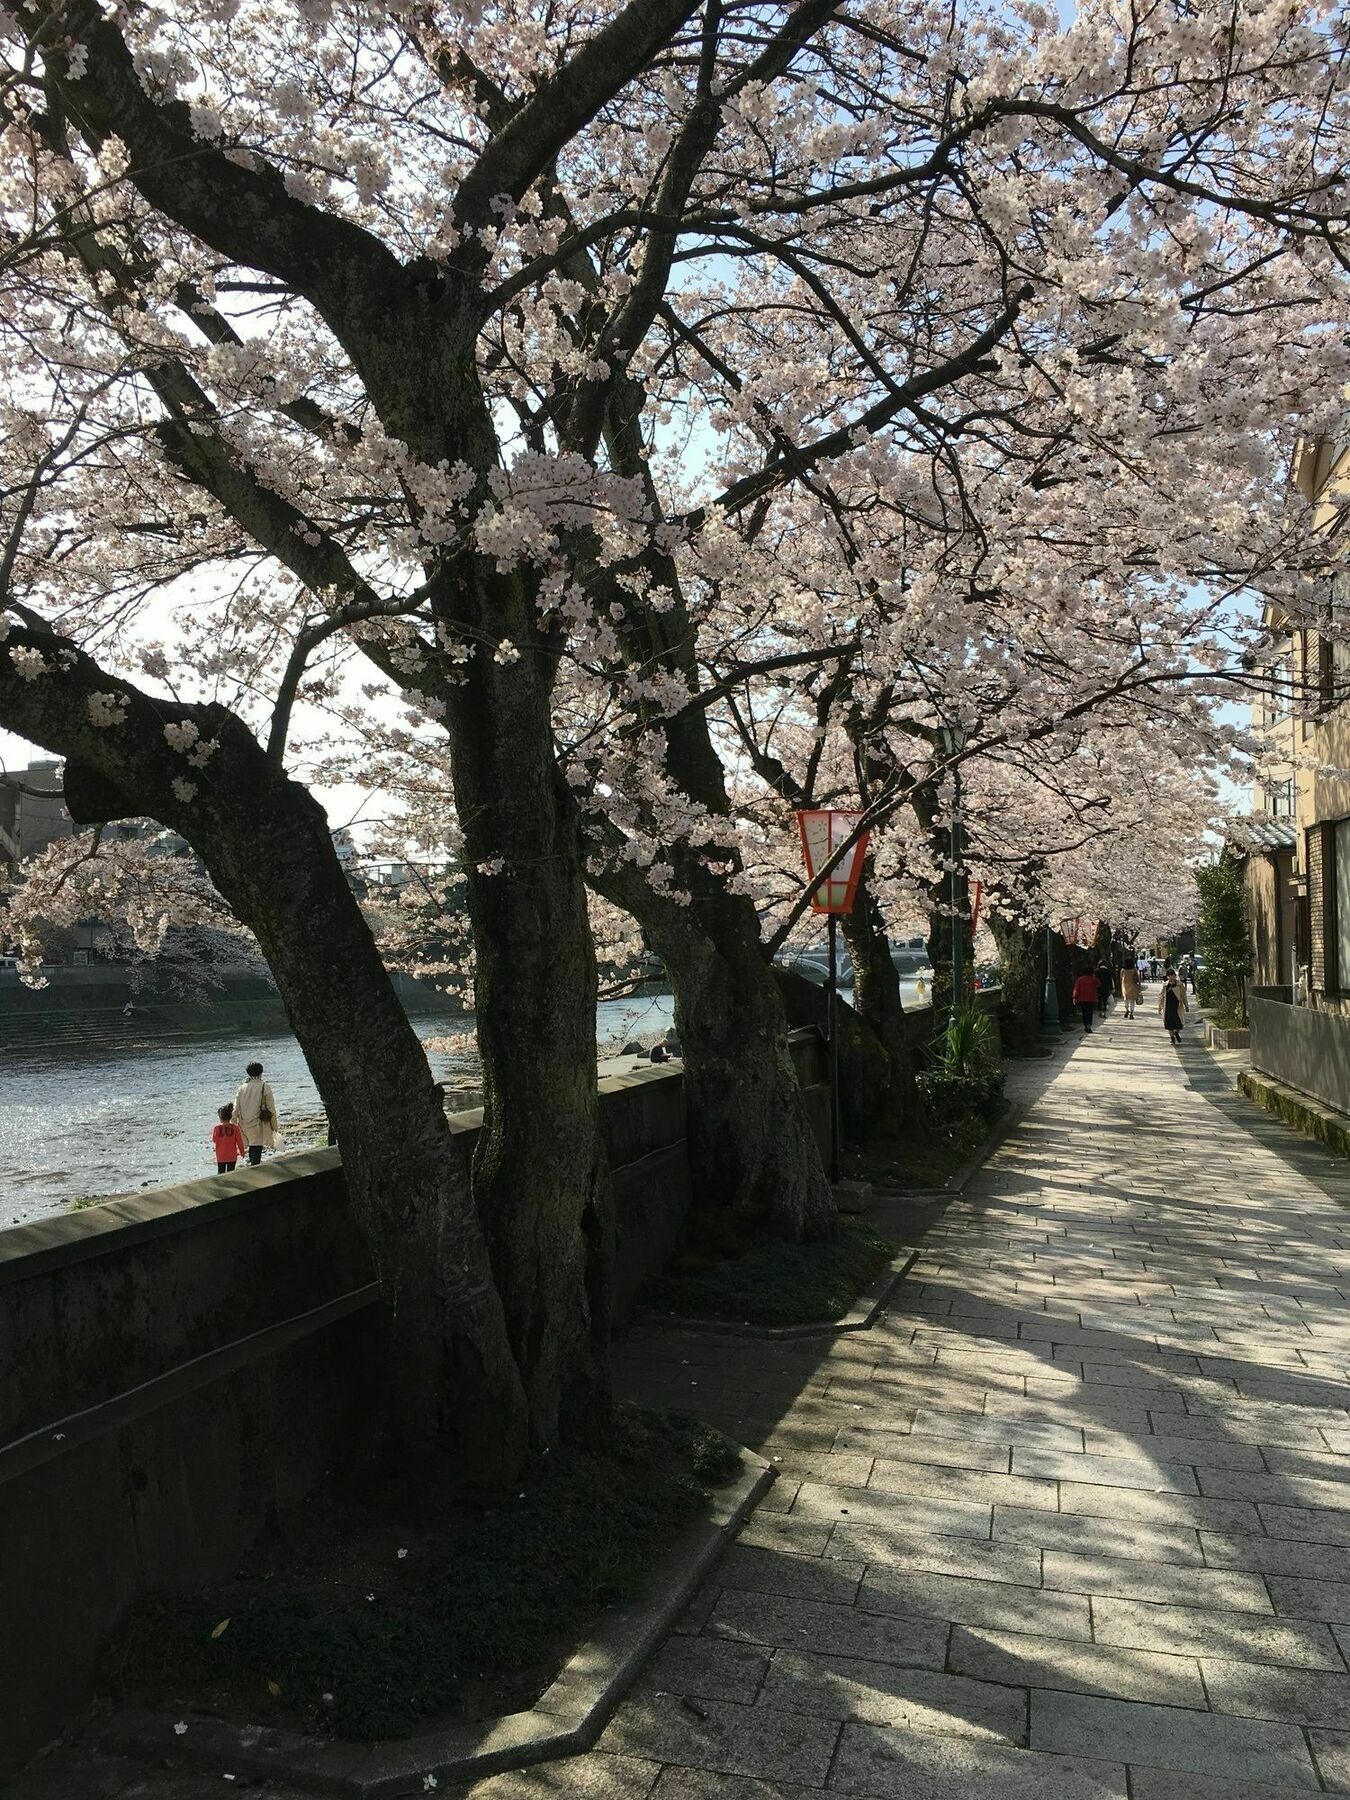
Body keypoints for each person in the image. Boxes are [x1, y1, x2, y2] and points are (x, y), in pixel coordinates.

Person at [233, 1060, 280, 1165]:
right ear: (261, 1072)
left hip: (244, 1122)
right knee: (257, 1147)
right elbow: (271, 1109)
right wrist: (274, 1126)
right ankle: (255, 1168)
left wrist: (233, 1124)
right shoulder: (265, 1086)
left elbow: (236, 1108)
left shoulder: (241, 1088)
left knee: (251, 1145)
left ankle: (252, 1166)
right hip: (259, 1122)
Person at [211, 1103, 248, 1174]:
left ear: (220, 1117)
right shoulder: (235, 1128)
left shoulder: (217, 1128)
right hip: (232, 1156)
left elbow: (214, 1140)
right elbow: (239, 1142)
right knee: (231, 1173)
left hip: (221, 1156)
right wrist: (242, 1152)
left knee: (221, 1173)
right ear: (230, 1117)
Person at [1159, 968, 1188, 1044]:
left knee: (1180, 1023)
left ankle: (1176, 1032)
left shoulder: (1180, 984)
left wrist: (1186, 1005)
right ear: (1167, 976)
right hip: (1168, 1006)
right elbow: (1161, 996)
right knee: (1169, 1024)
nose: (1171, 977)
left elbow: (1184, 995)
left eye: (1172, 975)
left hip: (1177, 1006)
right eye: (1169, 976)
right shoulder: (1165, 985)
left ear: (1175, 976)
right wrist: (1159, 1007)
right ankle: (1172, 1038)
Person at [1071, 966, 1100, 1033]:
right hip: (1091, 998)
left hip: (1082, 998)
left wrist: (1075, 997)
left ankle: (1086, 1025)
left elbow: (1076, 989)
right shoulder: (1093, 979)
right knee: (1090, 1012)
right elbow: (1099, 984)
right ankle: (1089, 1025)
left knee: (1084, 1012)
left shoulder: (1080, 979)